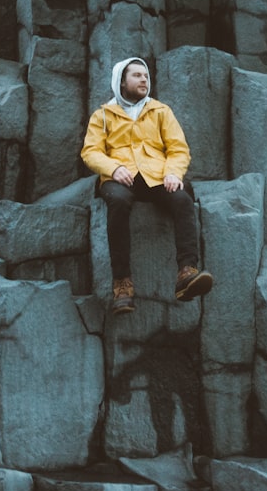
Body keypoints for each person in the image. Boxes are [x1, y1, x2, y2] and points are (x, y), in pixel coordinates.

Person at [81, 57, 214, 314]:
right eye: (137, 75)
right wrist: (113, 169)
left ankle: (187, 273)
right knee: (118, 201)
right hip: (121, 178)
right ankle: (122, 283)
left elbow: (178, 148)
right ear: (121, 81)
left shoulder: (160, 111)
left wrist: (174, 173)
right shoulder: (103, 115)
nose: (144, 79)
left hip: (157, 176)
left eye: (146, 76)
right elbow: (91, 152)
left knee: (182, 199)